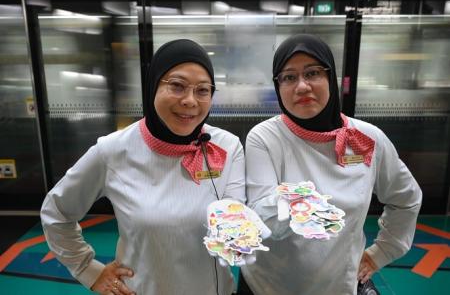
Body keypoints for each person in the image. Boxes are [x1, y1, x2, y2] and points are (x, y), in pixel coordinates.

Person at [41, 39, 246, 295]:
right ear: (153, 87)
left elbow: (236, 220)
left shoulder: (227, 146)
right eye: (177, 86)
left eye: (203, 90)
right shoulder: (114, 150)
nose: (190, 101)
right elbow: (56, 212)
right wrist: (88, 270)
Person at [240, 34, 422, 295]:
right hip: (267, 284)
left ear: (331, 77)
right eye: (289, 77)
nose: (302, 86)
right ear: (278, 86)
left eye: (312, 73)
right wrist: (301, 201)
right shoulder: (266, 137)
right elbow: (264, 219)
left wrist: (381, 252)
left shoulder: (366, 139)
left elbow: (407, 198)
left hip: (339, 284)